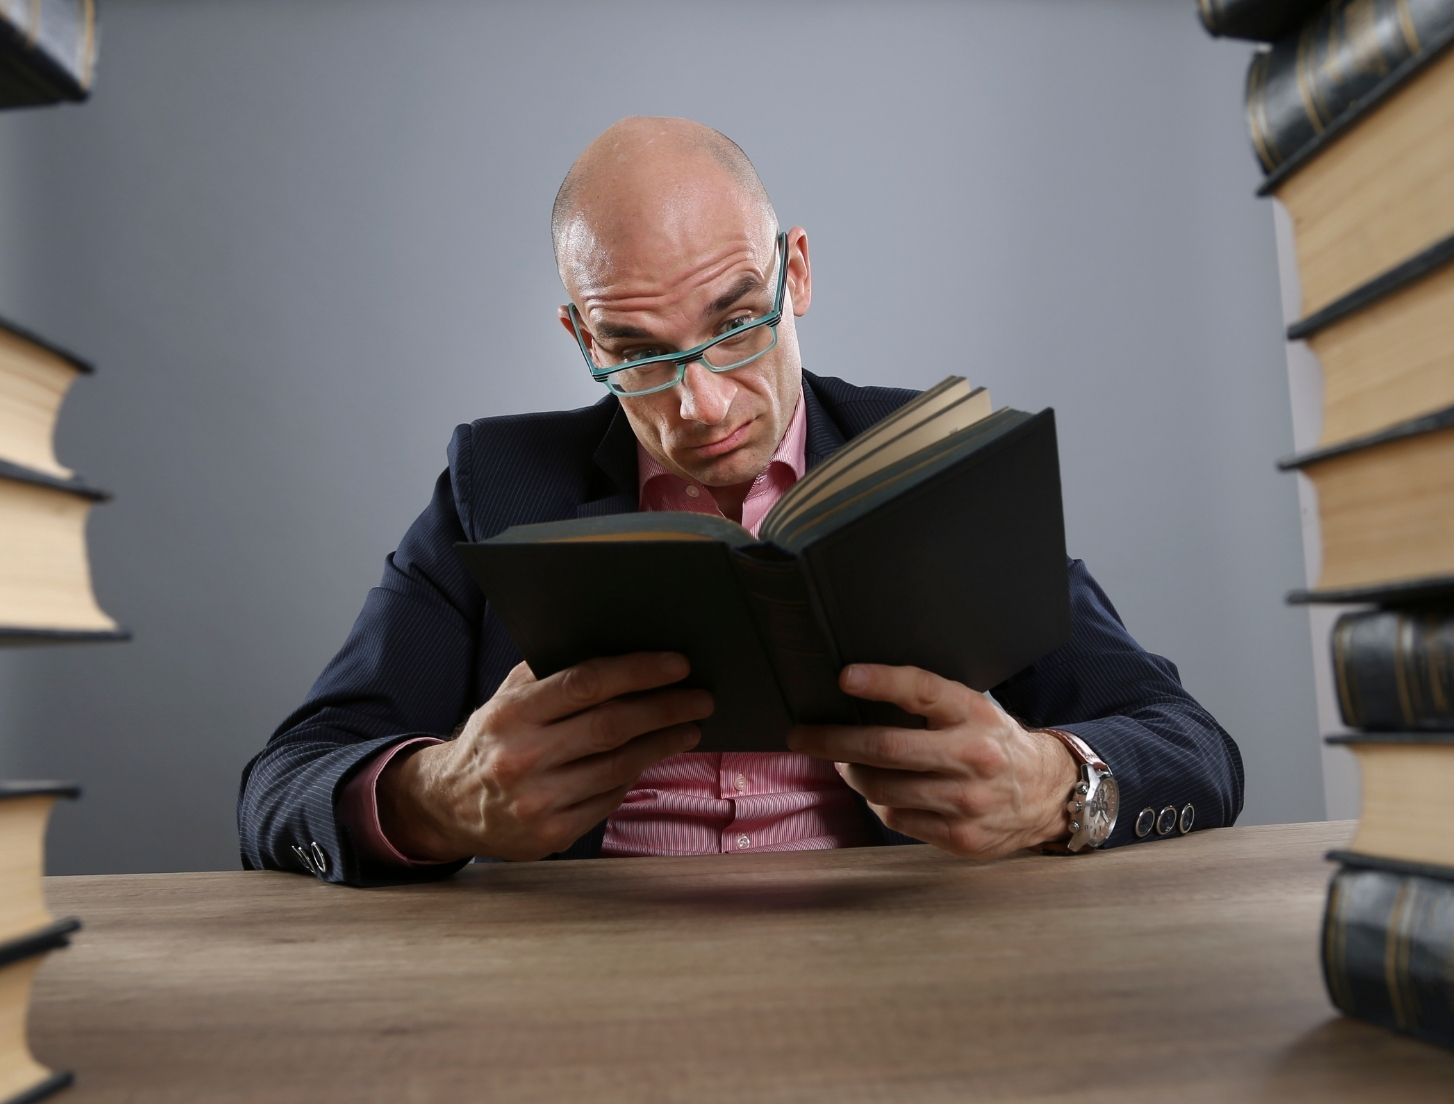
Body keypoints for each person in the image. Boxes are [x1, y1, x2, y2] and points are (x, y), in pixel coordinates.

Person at [239, 117, 1243, 886]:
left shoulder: (940, 461)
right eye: (636, 354)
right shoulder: (493, 485)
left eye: (734, 325)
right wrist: (434, 802)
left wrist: (1055, 787)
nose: (701, 404)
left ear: (793, 274)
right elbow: (284, 784)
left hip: (908, 971)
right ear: (584, 341)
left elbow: (1192, 748)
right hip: (578, 989)